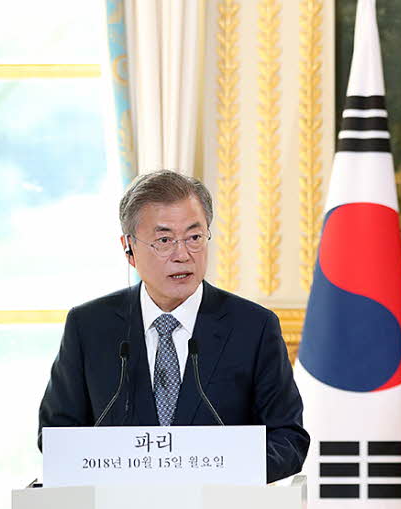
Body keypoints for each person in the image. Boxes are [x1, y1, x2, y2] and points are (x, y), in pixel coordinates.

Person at [38, 170, 309, 483]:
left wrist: (217, 471)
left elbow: (288, 439)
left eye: (194, 238)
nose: (182, 255)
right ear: (129, 248)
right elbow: (56, 435)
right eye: (164, 240)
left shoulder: (254, 327)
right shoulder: (89, 326)